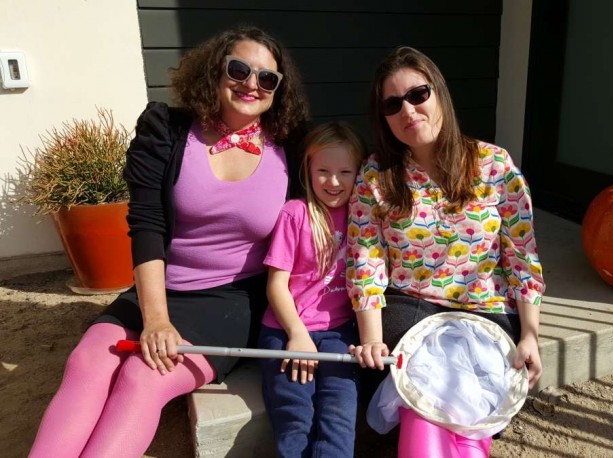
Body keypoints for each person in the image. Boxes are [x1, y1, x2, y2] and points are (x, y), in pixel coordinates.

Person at [29, 26, 309, 457]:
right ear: (216, 71)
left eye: (267, 78)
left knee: (144, 377)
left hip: (234, 301)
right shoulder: (167, 129)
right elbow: (146, 225)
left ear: (277, 90)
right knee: (88, 360)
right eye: (239, 69)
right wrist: (155, 317)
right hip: (161, 285)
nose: (252, 83)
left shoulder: (290, 147)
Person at [347, 46, 545, 458]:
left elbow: (521, 256)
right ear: (383, 116)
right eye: (392, 103)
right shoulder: (376, 177)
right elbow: (366, 261)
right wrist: (371, 339)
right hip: (411, 308)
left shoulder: (493, 165)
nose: (408, 110)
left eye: (418, 94)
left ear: (439, 94)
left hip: (486, 310)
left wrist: (529, 333)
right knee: (436, 375)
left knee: (446, 381)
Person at [258, 122, 366, 458]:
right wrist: (297, 334)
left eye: (345, 172)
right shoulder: (295, 214)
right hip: (286, 331)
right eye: (323, 171)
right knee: (295, 419)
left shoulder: (362, 217)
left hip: (340, 333)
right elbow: (276, 285)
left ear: (359, 173)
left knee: (338, 418)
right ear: (308, 168)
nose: (334, 182)